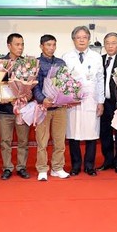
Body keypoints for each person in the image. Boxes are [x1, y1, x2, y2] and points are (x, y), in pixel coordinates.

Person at [62, 26, 104, 176]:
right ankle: (75, 165)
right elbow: (62, 79)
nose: (81, 40)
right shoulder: (66, 57)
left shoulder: (97, 57)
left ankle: (89, 166)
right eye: (78, 37)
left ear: (89, 39)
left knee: (91, 133)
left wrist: (101, 101)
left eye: (84, 37)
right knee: (73, 133)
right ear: (73, 39)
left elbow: (100, 80)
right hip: (72, 101)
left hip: (91, 100)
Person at [33, 34, 69, 181]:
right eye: (48, 45)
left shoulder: (61, 62)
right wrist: (43, 99)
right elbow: (33, 85)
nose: (51, 48)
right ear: (41, 46)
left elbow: (66, 83)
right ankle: (42, 169)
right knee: (42, 141)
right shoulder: (35, 63)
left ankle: (57, 167)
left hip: (60, 107)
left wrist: (67, 96)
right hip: (43, 107)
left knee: (59, 140)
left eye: (54, 45)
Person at [0, 33, 31, 180]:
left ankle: (21, 167)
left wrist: (27, 96)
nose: (20, 47)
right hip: (5, 110)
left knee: (23, 140)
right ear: (9, 46)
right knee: (5, 140)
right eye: (17, 44)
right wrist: (1, 98)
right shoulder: (0, 63)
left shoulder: (28, 64)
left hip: (22, 109)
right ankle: (7, 167)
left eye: (22, 44)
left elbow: (31, 86)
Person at [98, 32, 117, 173]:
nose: (110, 46)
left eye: (113, 43)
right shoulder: (99, 59)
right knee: (105, 132)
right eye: (107, 43)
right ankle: (108, 160)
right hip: (104, 102)